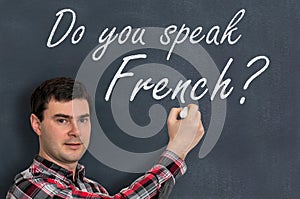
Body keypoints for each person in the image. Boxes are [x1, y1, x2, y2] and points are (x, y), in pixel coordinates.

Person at [6, 77, 205, 199]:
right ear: (36, 124)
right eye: (62, 120)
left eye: (83, 120)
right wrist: (177, 149)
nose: (76, 131)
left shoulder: (94, 189)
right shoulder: (29, 187)